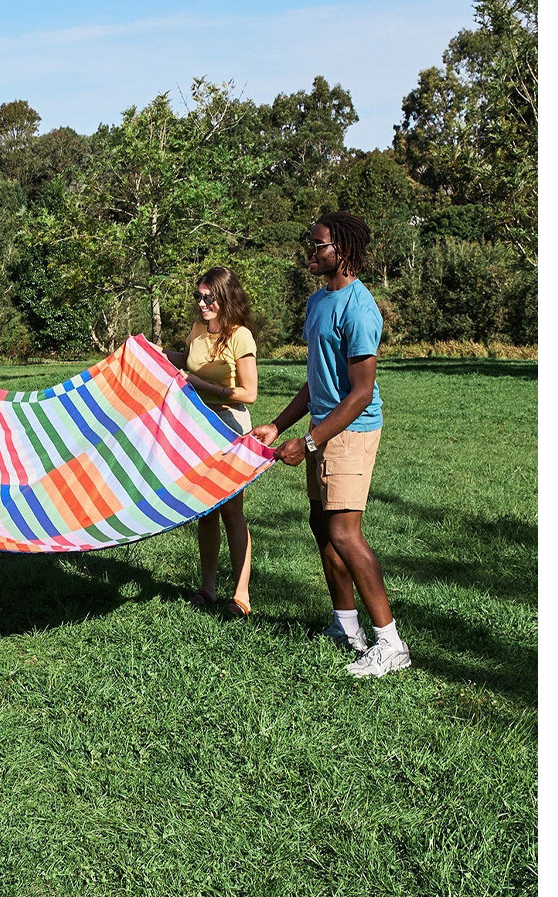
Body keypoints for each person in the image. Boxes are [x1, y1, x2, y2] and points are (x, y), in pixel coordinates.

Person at [251, 211, 410, 678]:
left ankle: (390, 643)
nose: (311, 252)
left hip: (350, 432)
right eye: (310, 243)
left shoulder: (360, 309)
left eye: (318, 245)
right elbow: (316, 379)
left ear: (342, 251)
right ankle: (346, 626)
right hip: (323, 431)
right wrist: (278, 427)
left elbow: (360, 393)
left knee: (345, 533)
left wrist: (311, 440)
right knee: (322, 526)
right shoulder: (319, 301)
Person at [164, 267, 259, 619]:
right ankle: (207, 589)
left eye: (209, 297)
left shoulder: (240, 337)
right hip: (198, 429)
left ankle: (241, 596)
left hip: (231, 427)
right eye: (199, 297)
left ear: (225, 298)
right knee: (204, 511)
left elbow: (249, 393)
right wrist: (153, 352)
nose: (202, 303)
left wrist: (206, 388)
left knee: (232, 512)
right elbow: (186, 362)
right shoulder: (197, 331)